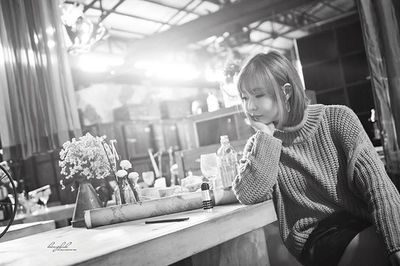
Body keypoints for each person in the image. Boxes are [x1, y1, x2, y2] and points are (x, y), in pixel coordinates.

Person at [232, 51, 400, 266]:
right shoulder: (262, 145)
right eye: (245, 97)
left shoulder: (337, 118)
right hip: (317, 235)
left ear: (286, 92)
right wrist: (265, 137)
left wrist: (396, 242)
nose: (250, 107)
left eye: (258, 95)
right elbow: (248, 194)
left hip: (360, 220)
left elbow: (378, 186)